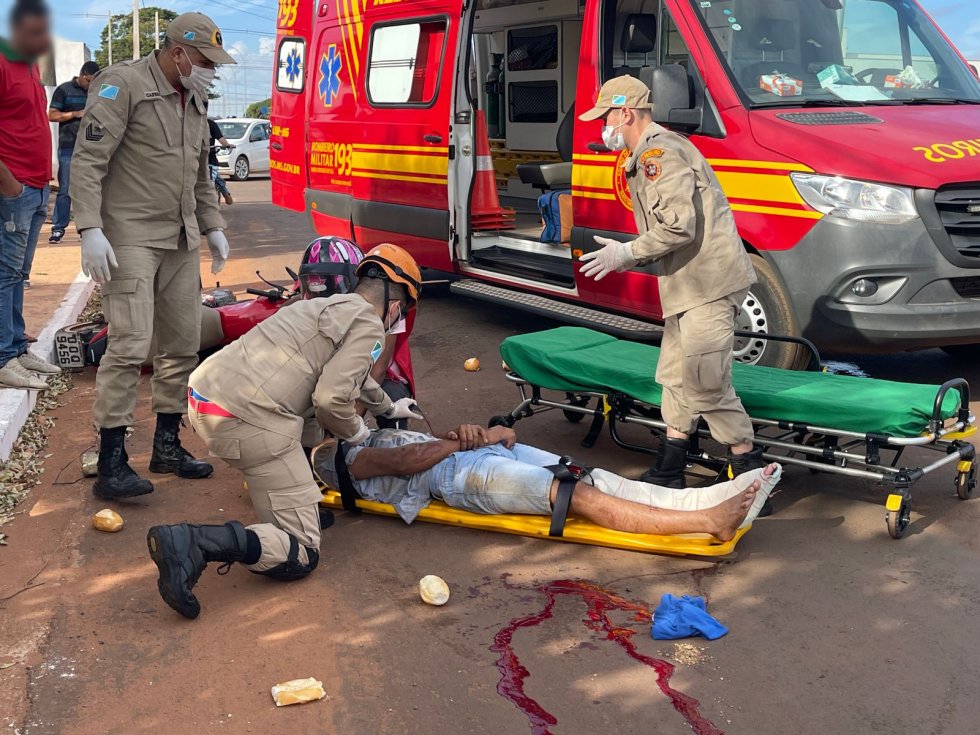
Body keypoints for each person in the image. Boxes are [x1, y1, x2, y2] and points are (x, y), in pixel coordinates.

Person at [149, 419, 780, 618]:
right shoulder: (329, 455)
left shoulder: (352, 422)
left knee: (584, 474)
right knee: (571, 494)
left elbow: (421, 436)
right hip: (457, 480)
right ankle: (710, 523)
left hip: (467, 456)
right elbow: (406, 459)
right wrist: (459, 442)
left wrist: (475, 432)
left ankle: (693, 504)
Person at [146, 244, 426, 619]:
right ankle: (194, 542)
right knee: (302, 552)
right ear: (396, 306)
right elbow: (331, 399)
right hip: (248, 423)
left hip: (205, 398)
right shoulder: (371, 325)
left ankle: (292, 497)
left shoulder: (323, 306)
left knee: (307, 424)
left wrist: (389, 408)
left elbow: (351, 373)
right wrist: (360, 432)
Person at [70, 12, 235, 500]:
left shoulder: (195, 96)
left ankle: (166, 444)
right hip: (130, 238)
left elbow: (201, 174)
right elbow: (88, 161)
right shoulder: (122, 85)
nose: (210, 69)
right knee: (128, 345)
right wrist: (90, 229)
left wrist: (214, 228)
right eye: (204, 60)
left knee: (182, 343)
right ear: (178, 52)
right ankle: (111, 461)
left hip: (181, 239)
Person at [577, 76, 764, 494]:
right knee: (676, 376)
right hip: (687, 285)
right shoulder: (648, 153)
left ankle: (752, 479)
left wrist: (624, 254)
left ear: (625, 113)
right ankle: (670, 467)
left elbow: (678, 227)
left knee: (706, 381)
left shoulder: (660, 154)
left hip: (708, 285)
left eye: (606, 116)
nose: (603, 127)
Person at [0, 0, 61, 390]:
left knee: (19, 275)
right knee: (5, 274)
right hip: (14, 188)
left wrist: (43, 179)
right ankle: (3, 357)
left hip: (37, 188)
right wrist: (9, 183)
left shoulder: (30, 65)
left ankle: (17, 347)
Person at [47, 60, 99, 243]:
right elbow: (51, 115)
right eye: (89, 81)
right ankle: (58, 229)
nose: (91, 84)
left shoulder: (97, 91)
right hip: (69, 148)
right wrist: (75, 114)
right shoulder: (64, 90)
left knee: (89, 189)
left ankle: (86, 229)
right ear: (82, 75)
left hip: (91, 148)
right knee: (65, 190)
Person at [207, 117, 233, 205]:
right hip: (194, 158)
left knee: (213, 177)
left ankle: (225, 193)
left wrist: (227, 145)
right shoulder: (190, 122)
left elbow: (221, 139)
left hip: (209, 158)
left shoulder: (211, 124)